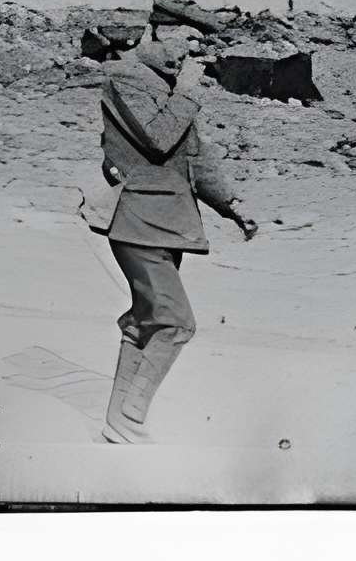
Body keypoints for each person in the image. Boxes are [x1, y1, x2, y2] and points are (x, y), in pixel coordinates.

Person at [93, 36, 256, 443]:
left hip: (164, 222)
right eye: (177, 44)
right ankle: (131, 417)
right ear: (148, 37)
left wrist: (232, 204)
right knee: (176, 322)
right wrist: (186, 93)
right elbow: (157, 138)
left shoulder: (167, 92)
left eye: (193, 47)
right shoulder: (123, 80)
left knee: (147, 323)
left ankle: (118, 421)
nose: (184, 55)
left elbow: (195, 158)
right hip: (137, 221)